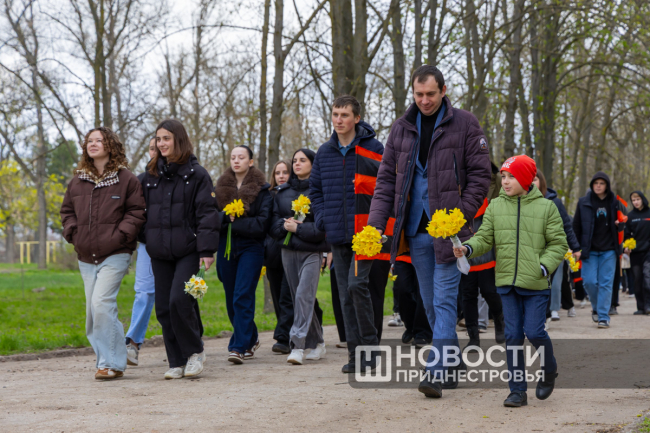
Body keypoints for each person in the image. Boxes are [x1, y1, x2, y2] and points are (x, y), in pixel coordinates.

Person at [367, 65, 492, 398]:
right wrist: (376, 225)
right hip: (414, 231)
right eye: (419, 94)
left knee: (445, 299)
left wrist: (459, 216)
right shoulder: (400, 128)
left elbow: (481, 177)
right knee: (431, 303)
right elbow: (386, 182)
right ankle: (452, 361)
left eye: (431, 94)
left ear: (444, 90)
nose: (424, 100)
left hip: (450, 234)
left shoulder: (466, 124)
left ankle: (435, 371)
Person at [455, 155, 567, 408]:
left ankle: (549, 369)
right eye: (503, 177)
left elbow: (558, 244)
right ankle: (517, 391)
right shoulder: (495, 206)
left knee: (535, 332)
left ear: (526, 179)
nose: (505, 182)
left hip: (536, 283)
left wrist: (543, 267)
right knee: (513, 336)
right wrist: (468, 248)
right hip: (506, 282)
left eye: (511, 177)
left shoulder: (546, 208)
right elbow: (485, 237)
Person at [60, 127, 146, 380]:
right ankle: (111, 361)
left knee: (101, 303)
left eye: (99, 140)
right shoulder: (77, 181)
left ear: (110, 145)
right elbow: (67, 212)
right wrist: (73, 234)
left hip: (116, 253)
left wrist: (120, 236)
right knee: (93, 311)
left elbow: (136, 212)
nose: (93, 144)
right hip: (86, 256)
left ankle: (109, 363)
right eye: (89, 141)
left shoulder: (126, 179)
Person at [310, 94, 386, 374]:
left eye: (344, 115)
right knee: (344, 296)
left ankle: (370, 350)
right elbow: (315, 191)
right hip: (336, 233)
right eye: (335, 114)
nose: (339, 120)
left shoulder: (374, 148)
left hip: (366, 232)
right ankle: (356, 355)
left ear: (356, 118)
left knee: (357, 286)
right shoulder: (324, 152)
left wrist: (379, 224)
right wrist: (322, 218)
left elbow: (385, 187)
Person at [141, 119, 219, 380]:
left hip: (189, 250)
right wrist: (146, 237)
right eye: (158, 139)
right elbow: (138, 211)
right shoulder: (149, 176)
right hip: (159, 251)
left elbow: (207, 214)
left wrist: (206, 250)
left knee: (180, 300)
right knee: (163, 307)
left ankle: (195, 352)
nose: (161, 143)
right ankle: (176, 361)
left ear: (179, 139)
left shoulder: (197, 175)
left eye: (167, 138)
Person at [270, 148, 329, 364]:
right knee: (299, 299)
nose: (297, 163)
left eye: (302, 160)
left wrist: (299, 229)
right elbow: (273, 225)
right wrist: (284, 225)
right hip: (288, 252)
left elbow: (323, 227)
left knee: (304, 295)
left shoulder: (320, 191)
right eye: (295, 160)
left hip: (312, 251)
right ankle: (318, 342)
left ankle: (297, 345)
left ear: (313, 163)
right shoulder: (282, 192)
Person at [216, 145, 272, 364]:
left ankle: (238, 347)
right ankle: (251, 337)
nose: (236, 161)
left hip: (251, 248)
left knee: (242, 295)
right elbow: (211, 218)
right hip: (226, 248)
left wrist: (234, 223)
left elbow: (262, 224)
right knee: (232, 298)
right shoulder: (219, 188)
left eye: (241, 157)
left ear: (250, 161)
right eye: (233, 157)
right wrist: (224, 218)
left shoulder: (263, 190)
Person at [461, 162, 505, 350]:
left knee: (489, 291)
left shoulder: (496, 181)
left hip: (487, 247)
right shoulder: (458, 180)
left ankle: (500, 320)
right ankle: (473, 338)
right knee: (468, 294)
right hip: (464, 244)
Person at [573, 172, 625, 328]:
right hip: (589, 250)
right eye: (596, 183)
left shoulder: (615, 202)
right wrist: (575, 247)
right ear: (592, 185)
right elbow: (576, 226)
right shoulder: (583, 202)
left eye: (602, 183)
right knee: (589, 282)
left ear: (607, 186)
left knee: (606, 283)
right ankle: (596, 308)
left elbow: (625, 222)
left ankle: (603, 316)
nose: (598, 186)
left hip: (609, 250)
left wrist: (620, 224)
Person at [125, 138, 158, 366]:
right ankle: (132, 344)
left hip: (177, 246)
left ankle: (190, 342)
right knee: (144, 293)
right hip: (148, 244)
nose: (155, 152)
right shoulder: (141, 180)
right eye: (152, 148)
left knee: (179, 296)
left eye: (159, 147)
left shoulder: (184, 178)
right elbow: (134, 212)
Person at [533, 170, 580, 320]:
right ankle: (541, 315)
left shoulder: (555, 202)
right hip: (532, 250)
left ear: (541, 181)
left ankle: (551, 311)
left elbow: (566, 226)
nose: (531, 183)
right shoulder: (522, 201)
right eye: (529, 180)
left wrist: (575, 247)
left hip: (554, 249)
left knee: (555, 282)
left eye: (535, 180)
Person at [265, 160, 293, 354]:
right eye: (277, 173)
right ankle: (287, 333)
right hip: (273, 253)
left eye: (285, 172)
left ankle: (283, 337)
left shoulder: (296, 195)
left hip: (292, 251)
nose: (281, 176)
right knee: (277, 295)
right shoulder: (268, 196)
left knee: (287, 295)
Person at [392, 256, 432, 347]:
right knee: (402, 289)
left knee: (422, 292)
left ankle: (423, 332)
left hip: (425, 254)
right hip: (403, 253)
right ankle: (410, 326)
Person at [625, 191, 650, 315]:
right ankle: (640, 307)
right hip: (635, 253)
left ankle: (648, 306)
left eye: (638, 199)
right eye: (633, 200)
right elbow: (626, 234)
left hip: (648, 251)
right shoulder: (630, 216)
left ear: (643, 199)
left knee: (647, 277)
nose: (636, 202)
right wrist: (626, 246)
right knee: (637, 280)